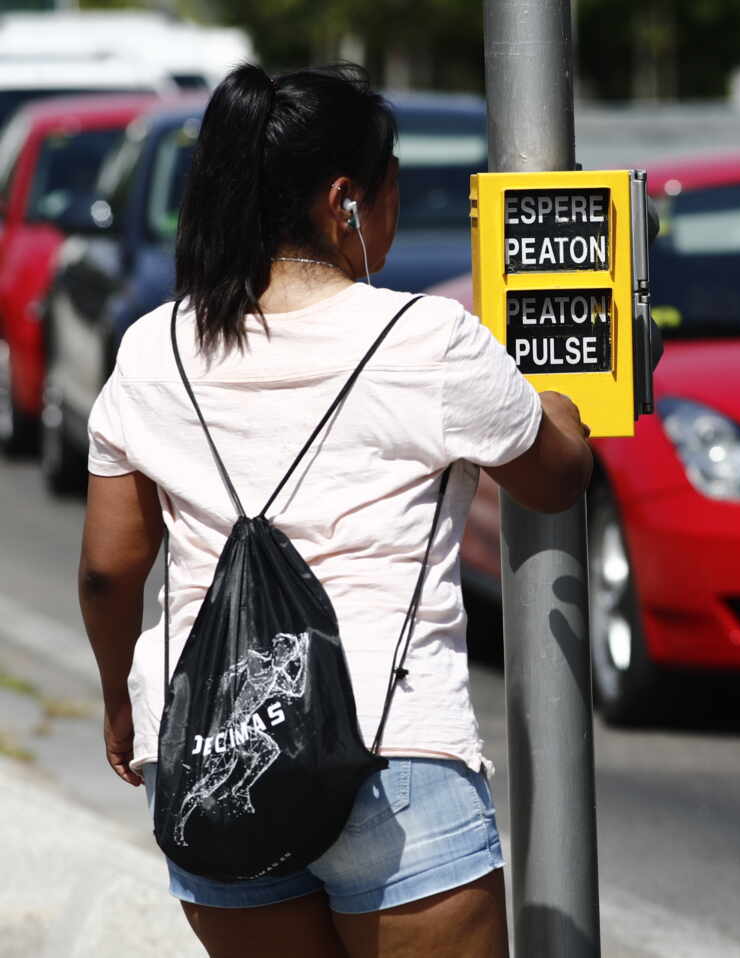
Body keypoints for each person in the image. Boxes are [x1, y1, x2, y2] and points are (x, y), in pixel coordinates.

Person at [76, 63, 592, 958]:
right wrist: (558, 408)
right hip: (393, 755)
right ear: (346, 200)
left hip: (214, 756)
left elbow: (108, 568)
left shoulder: (151, 347)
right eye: (393, 191)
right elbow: (555, 480)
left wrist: (124, 704)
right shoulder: (425, 338)